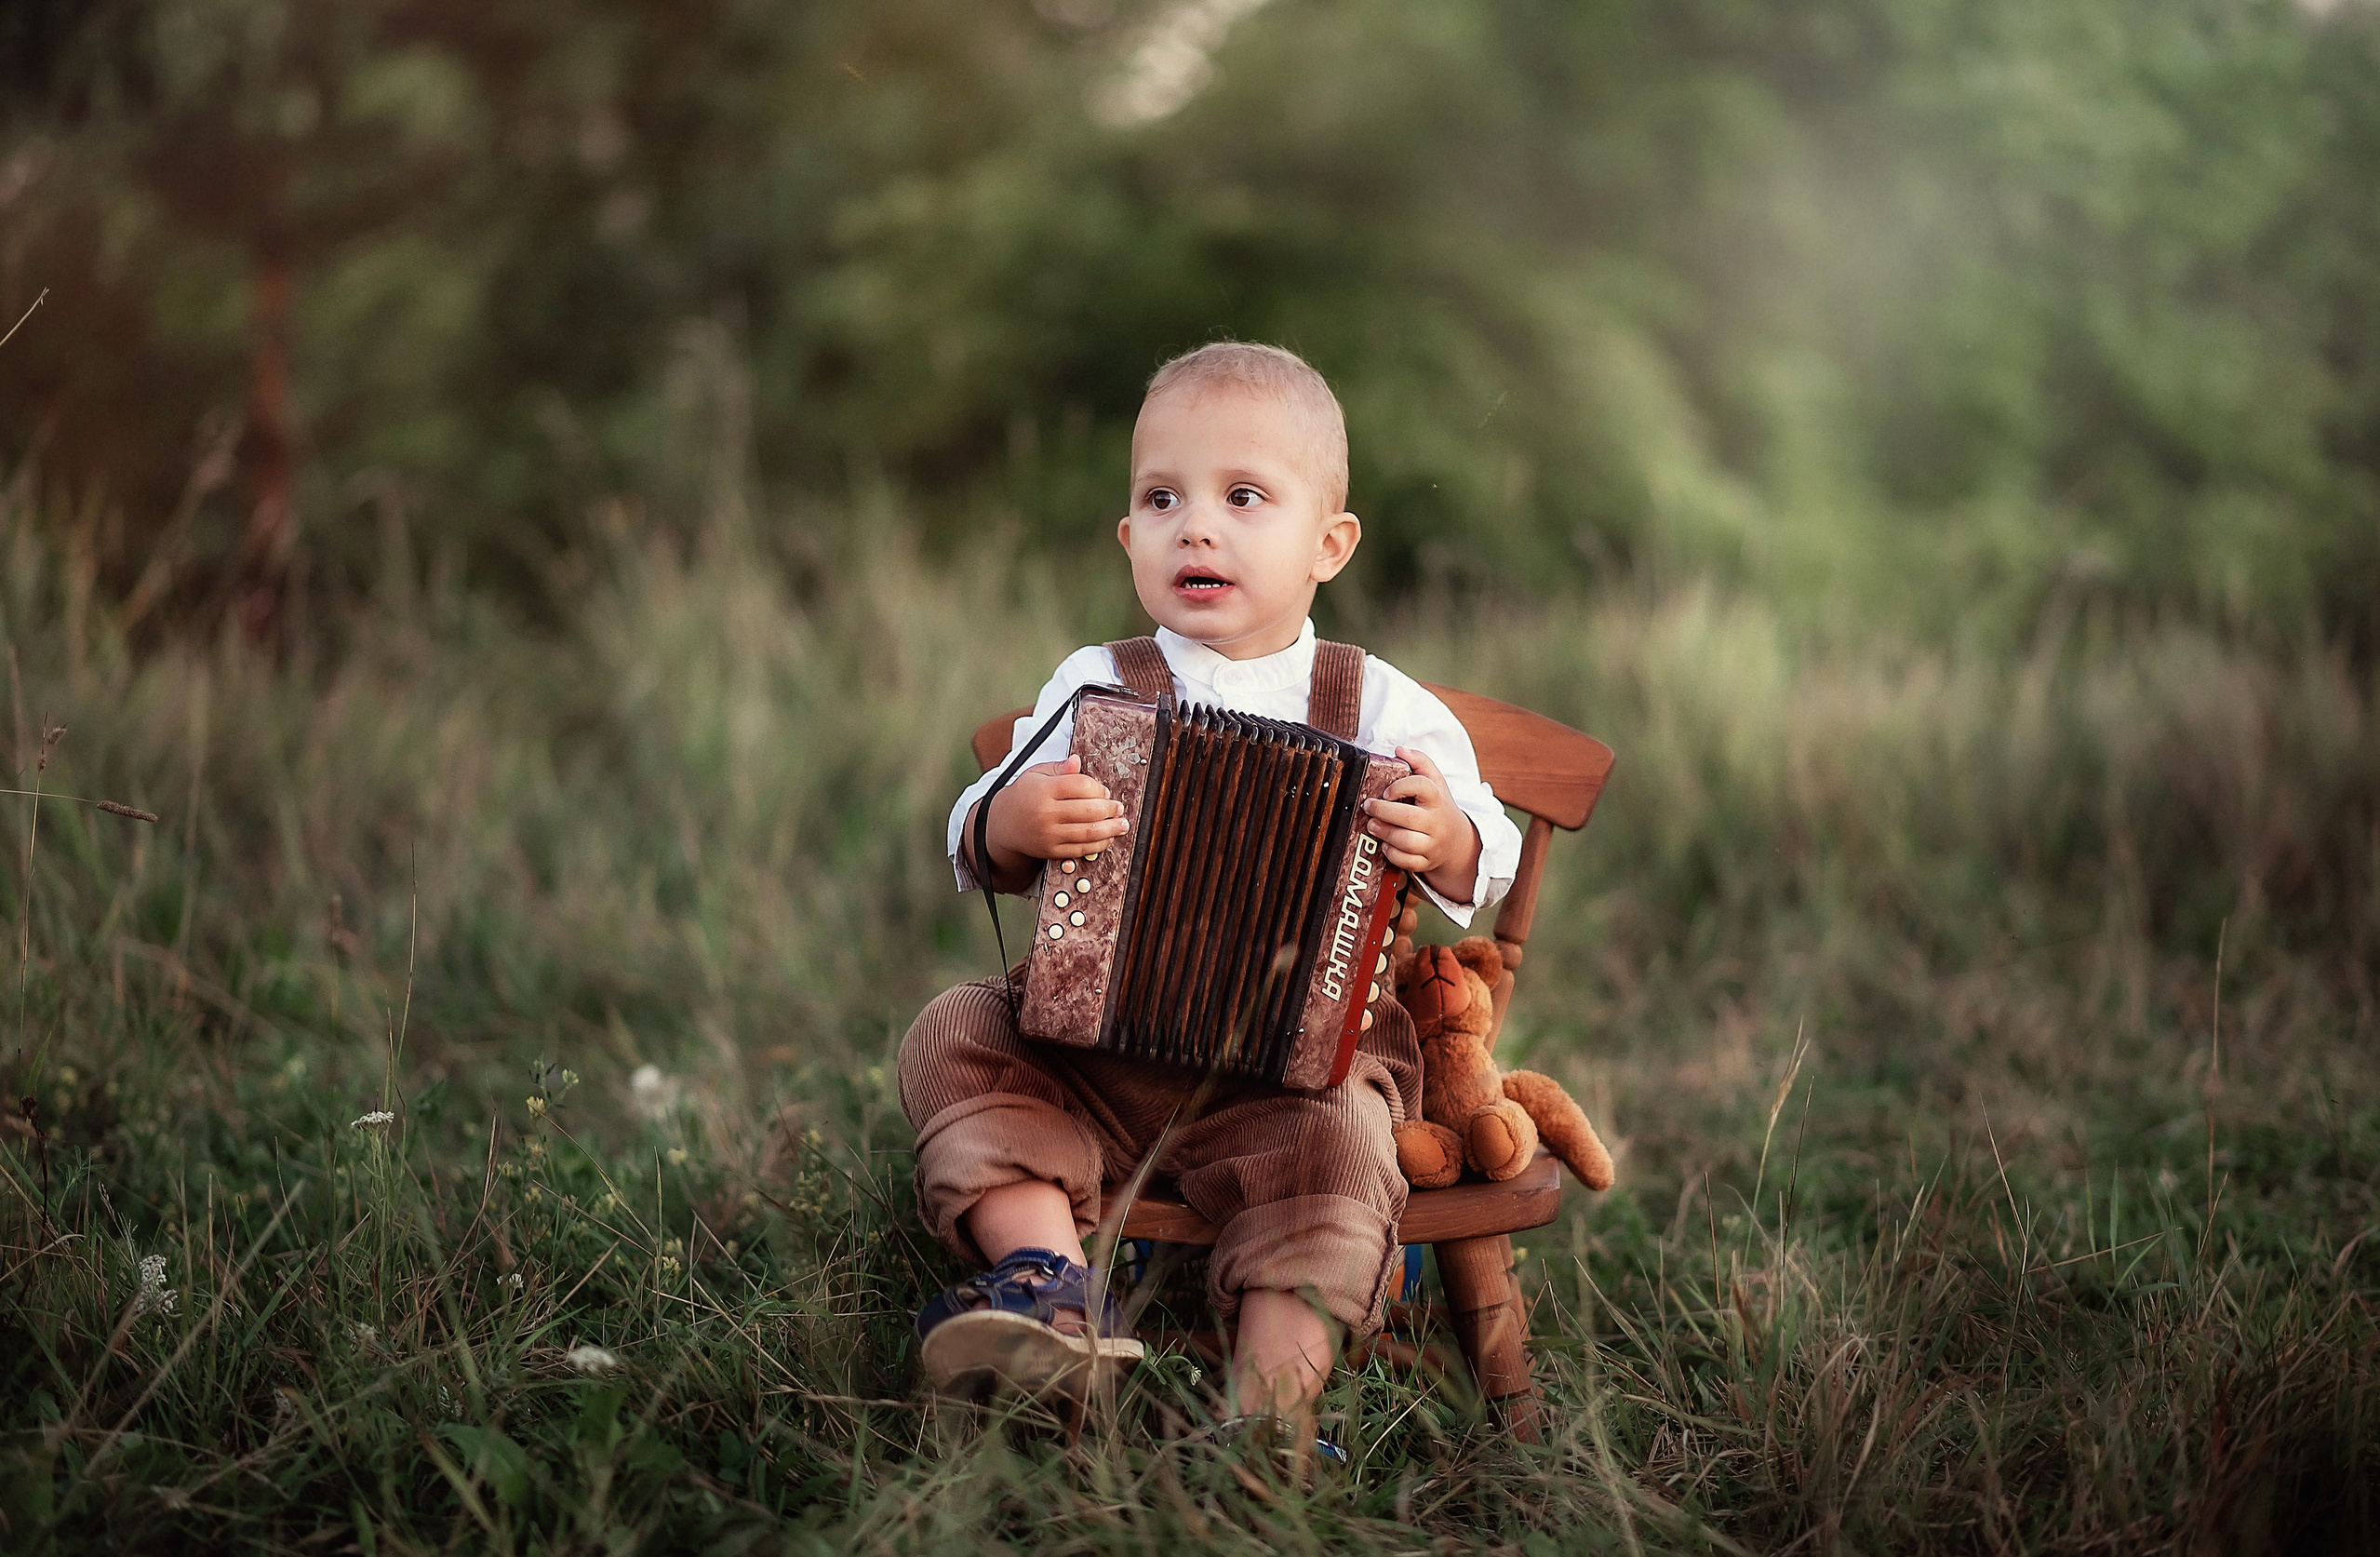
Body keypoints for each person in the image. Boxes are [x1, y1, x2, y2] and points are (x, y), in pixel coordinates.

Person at [901, 341, 1523, 1441]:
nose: (1195, 527)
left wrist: (1446, 834)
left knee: (1344, 1148)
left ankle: (1266, 1416)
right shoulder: (1098, 681)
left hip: (1296, 1074)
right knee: (957, 1028)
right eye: (1161, 498)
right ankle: (1049, 1288)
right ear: (1127, 537)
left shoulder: (1377, 704)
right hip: (1092, 1047)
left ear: (1327, 544)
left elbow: (1492, 848)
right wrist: (1011, 820)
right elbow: (974, 820)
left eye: (1242, 497)